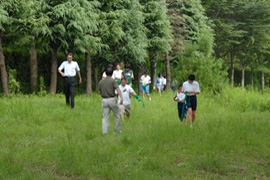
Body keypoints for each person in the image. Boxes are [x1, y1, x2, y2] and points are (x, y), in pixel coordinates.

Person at [98, 67, 123, 134]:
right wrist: (121, 98)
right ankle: (117, 130)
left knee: (105, 116)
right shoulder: (113, 81)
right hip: (112, 99)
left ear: (105, 73)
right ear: (112, 74)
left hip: (104, 100)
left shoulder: (101, 81)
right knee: (117, 114)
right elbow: (118, 89)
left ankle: (104, 131)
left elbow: (99, 92)